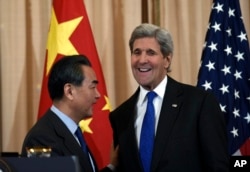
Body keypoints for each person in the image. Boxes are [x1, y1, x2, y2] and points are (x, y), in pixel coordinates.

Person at [109, 23, 229, 172]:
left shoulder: (198, 103)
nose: (142, 60)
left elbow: (218, 166)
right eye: (137, 52)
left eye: (151, 53)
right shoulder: (120, 115)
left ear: (167, 60)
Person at [21, 55, 118, 172]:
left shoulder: (73, 132)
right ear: (69, 91)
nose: (97, 95)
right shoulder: (41, 139)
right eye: (92, 87)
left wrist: (112, 167)